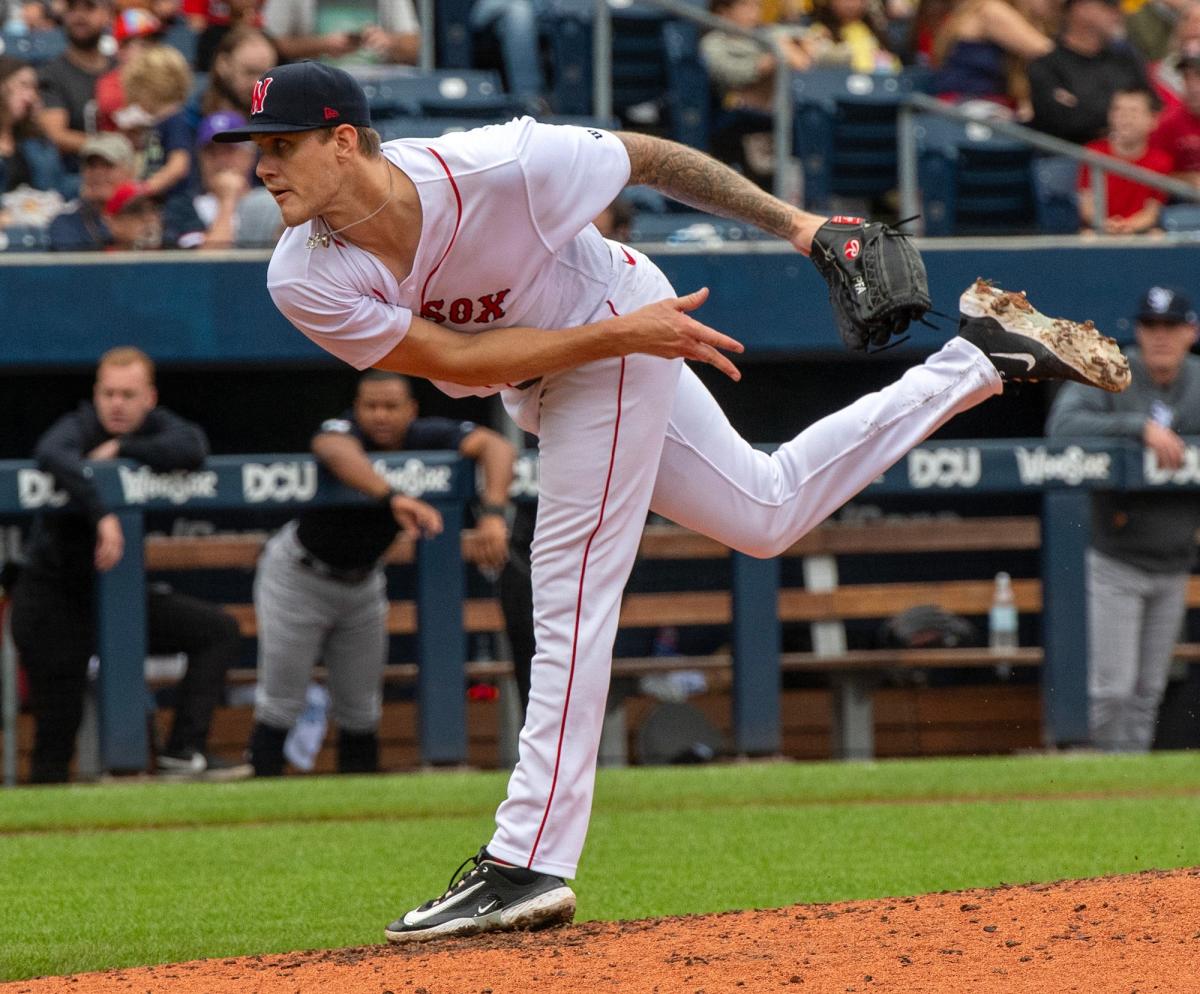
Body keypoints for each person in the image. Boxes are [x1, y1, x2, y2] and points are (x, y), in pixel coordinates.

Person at [212, 59, 1129, 942]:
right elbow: (452, 363)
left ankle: (526, 858)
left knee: (569, 590)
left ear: (344, 142)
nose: (262, 162)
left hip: (614, 328)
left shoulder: (502, 167)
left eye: (281, 142)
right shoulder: (304, 272)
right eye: (257, 143)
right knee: (766, 514)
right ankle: (980, 358)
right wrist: (624, 335)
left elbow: (646, 157)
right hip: (589, 350)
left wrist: (802, 227)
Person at [245, 370, 516, 777]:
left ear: (412, 410)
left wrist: (493, 514)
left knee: (360, 705)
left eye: (391, 407)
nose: (381, 416)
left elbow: (495, 445)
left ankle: (356, 810)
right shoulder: (344, 430)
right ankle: (259, 800)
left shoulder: (425, 435)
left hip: (363, 581)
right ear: (357, 408)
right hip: (299, 575)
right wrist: (392, 497)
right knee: (282, 699)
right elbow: (332, 447)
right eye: (371, 406)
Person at [9, 347, 250, 783]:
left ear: (149, 398)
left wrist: (123, 448)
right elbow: (51, 453)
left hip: (117, 597)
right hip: (54, 599)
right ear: (96, 394)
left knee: (216, 630)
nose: (117, 404)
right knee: (56, 736)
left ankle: (182, 752)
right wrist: (102, 513)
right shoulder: (79, 425)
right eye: (109, 393)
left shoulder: (150, 429)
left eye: (128, 394)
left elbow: (192, 445)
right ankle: (49, 838)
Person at [1047, 287, 1200, 753]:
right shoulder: (1112, 370)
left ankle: (1127, 794)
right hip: (1116, 559)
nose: (1160, 337)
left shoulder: (1197, 380)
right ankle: (1094, 784)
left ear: (1190, 332)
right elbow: (1062, 428)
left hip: (1173, 563)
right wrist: (1138, 428)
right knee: (1111, 690)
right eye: (1151, 327)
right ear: (1137, 331)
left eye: (1171, 327)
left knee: (1145, 694)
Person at [1028, 0, 1151, 145]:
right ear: (1081, 8)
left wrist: (1086, 108)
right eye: (1109, 5)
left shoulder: (1127, 57)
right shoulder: (1047, 66)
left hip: (1128, 152)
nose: (1118, 13)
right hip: (1069, 156)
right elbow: (1064, 123)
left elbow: (1152, 107)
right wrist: (1124, 116)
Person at [169, 110, 281, 248]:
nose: (221, 160)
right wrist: (228, 201)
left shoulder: (274, 200)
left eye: (230, 150)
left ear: (250, 155)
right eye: (211, 152)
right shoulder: (182, 207)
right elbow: (207, 266)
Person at [930, 0, 1054, 118]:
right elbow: (1050, 54)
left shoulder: (1028, 18)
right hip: (963, 108)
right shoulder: (990, 10)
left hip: (991, 107)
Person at [1078, 87, 1172, 233]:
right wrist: (1105, 224)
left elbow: (1151, 212)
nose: (1125, 118)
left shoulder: (1161, 161)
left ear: (1153, 120)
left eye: (1133, 112)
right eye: (1118, 110)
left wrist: (1128, 226)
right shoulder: (1093, 153)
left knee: (1157, 236)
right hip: (1099, 229)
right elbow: (1087, 205)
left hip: (1139, 231)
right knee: (1086, 236)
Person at [37, 0, 115, 175]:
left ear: (108, 15)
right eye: (72, 8)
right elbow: (56, 135)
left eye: (89, 7)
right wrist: (114, 146)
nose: (79, 16)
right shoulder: (51, 74)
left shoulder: (122, 69)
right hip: (75, 176)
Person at [47, 130, 135, 249]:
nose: (98, 173)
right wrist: (115, 235)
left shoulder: (148, 216)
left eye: (108, 165)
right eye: (91, 166)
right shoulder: (66, 223)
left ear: (130, 172)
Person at [262, 0, 419, 65]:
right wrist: (321, 45)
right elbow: (270, 42)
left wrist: (390, 41)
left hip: (382, 87)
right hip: (311, 82)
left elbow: (416, 45)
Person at [0, 55, 63, 195]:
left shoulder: (35, 142)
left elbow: (56, 187)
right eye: (24, 85)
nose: (32, 96)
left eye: (35, 89)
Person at [1150, 40, 1200, 186]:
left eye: (1199, 75)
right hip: (1185, 201)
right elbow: (1153, 173)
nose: (1192, 85)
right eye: (1186, 77)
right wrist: (1188, 179)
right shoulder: (1169, 123)